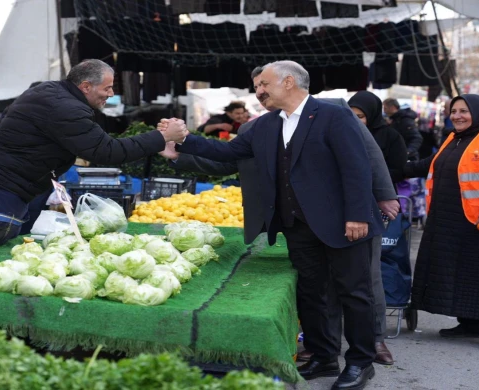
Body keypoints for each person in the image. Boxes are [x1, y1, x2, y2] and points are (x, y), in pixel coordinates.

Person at [160, 61, 383, 389]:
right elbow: (228, 153)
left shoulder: (333, 116)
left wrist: (358, 215)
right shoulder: (264, 125)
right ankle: (322, 357)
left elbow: (356, 166)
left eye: (264, 84)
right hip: (297, 225)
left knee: (354, 292)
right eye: (258, 86)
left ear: (289, 82)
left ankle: (361, 363)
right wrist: (183, 141)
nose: (258, 90)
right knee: (311, 292)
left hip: (343, 223)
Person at [0, 59, 182, 258]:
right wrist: (160, 137)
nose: (111, 94)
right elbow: (107, 151)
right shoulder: (66, 108)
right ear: (86, 86)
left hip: (1, 186)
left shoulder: (49, 92)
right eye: (108, 88)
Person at [404, 94, 479, 338]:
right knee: (460, 275)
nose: (457, 116)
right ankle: (469, 324)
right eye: (454, 111)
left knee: (476, 275)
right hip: (450, 220)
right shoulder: (455, 138)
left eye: (464, 111)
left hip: (476, 222)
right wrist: (394, 169)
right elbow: (431, 164)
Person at [349, 91, 408, 187]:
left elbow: (399, 170)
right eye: (351, 115)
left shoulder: (390, 136)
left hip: (379, 194)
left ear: (372, 115)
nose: (355, 120)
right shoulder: (343, 133)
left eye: (360, 116)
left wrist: (368, 177)